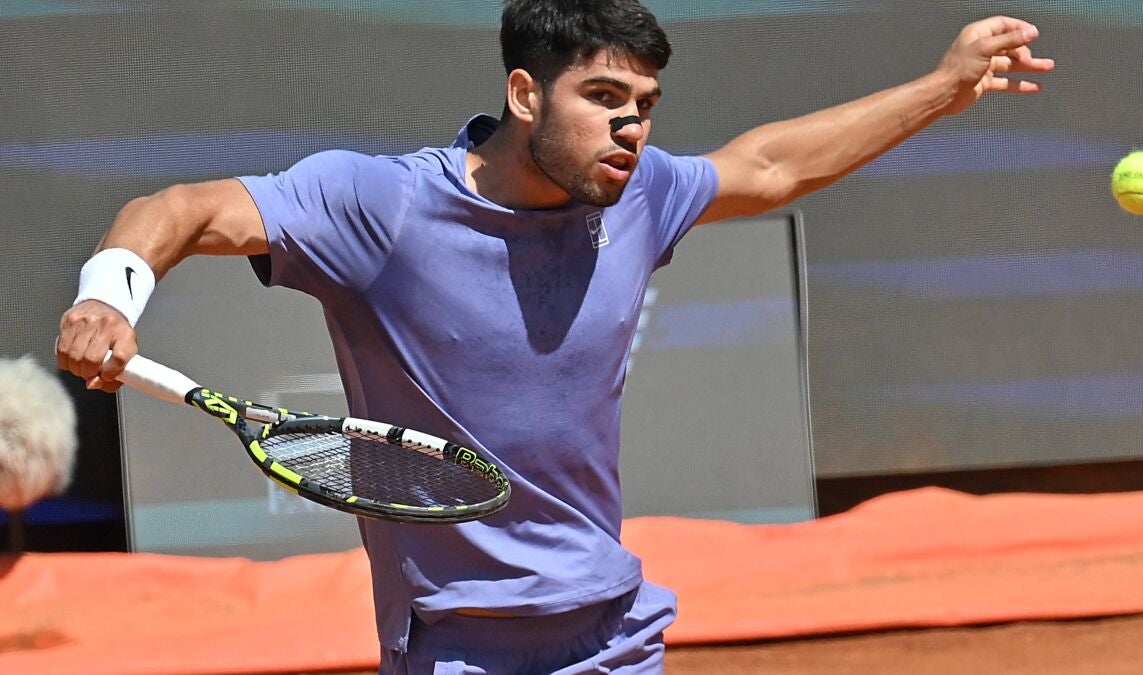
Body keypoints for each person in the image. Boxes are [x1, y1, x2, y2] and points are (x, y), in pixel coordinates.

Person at [56, 1, 1054, 672]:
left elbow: (773, 166)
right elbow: (180, 207)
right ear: (525, 94)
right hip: (457, 646)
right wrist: (109, 294)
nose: (632, 129)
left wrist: (946, 85)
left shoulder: (643, 195)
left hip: (612, 632)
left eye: (645, 107)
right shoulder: (378, 206)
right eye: (605, 99)